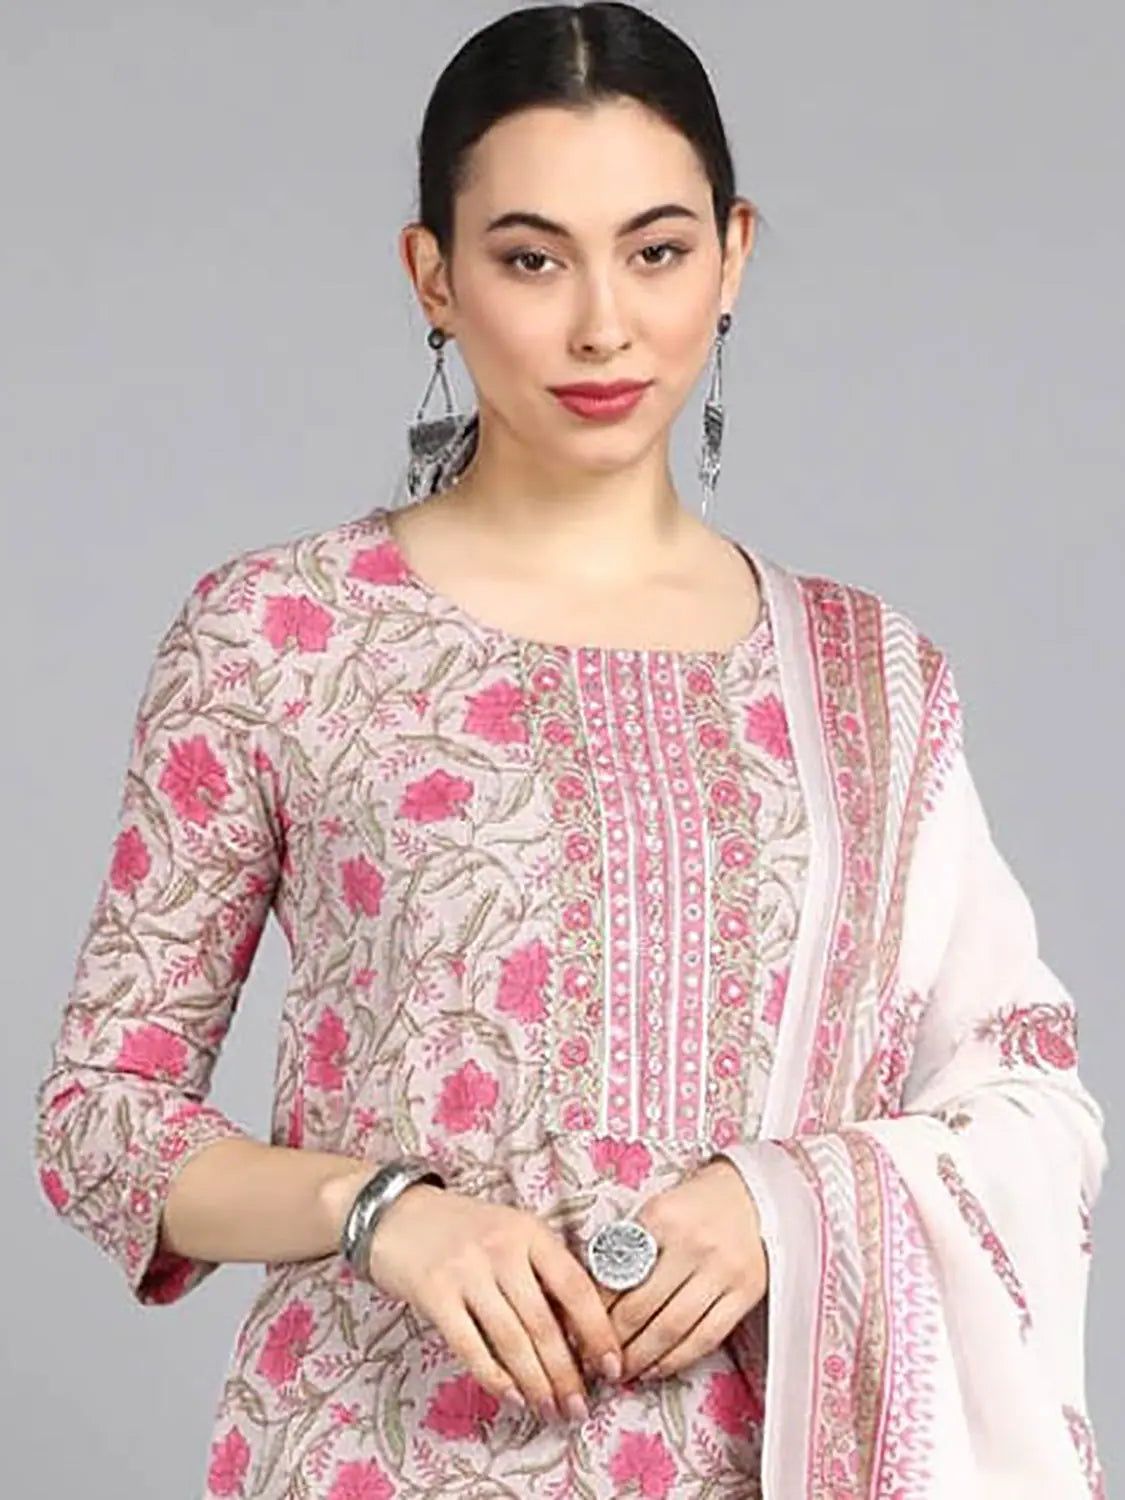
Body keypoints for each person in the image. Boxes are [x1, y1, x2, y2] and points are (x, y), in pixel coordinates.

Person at [33, 4, 1107, 1497]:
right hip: (372, 1453)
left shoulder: (871, 676)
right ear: (433, 275)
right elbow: (101, 1118)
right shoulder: (277, 633)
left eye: (656, 252)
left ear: (732, 255)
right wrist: (381, 1213)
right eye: (532, 260)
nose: (603, 324)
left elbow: (1025, 1094)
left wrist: (782, 1203)